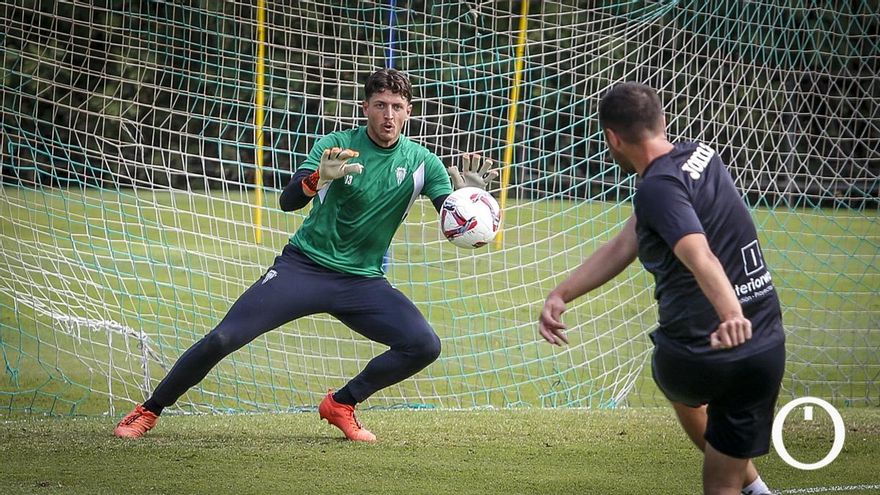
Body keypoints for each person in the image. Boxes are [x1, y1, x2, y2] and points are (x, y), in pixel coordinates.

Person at [114, 68, 497, 442]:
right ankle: (149, 410)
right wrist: (319, 178)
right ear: (365, 107)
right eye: (380, 105)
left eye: (397, 106)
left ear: (409, 112)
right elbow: (287, 200)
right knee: (222, 338)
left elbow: (452, 217)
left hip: (363, 282)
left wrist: (470, 198)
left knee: (424, 345)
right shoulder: (336, 146)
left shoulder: (423, 163)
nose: (389, 115)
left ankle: (341, 404)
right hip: (304, 268)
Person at [538, 82, 785, 495]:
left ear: (613, 139)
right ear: (662, 121)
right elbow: (626, 242)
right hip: (766, 338)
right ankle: (757, 489)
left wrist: (729, 313)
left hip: (701, 349)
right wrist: (562, 292)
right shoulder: (701, 155)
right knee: (724, 454)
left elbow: (699, 253)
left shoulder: (655, 188)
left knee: (687, 404)